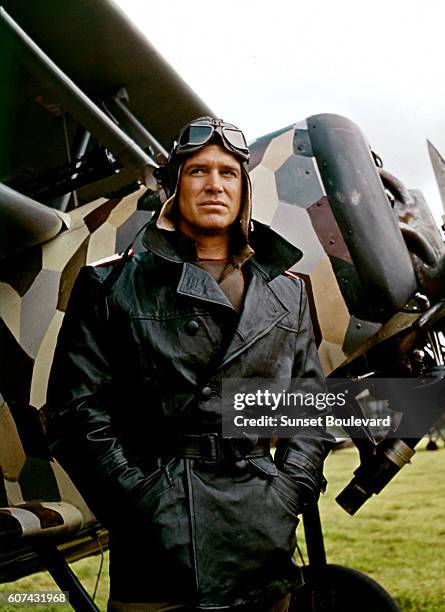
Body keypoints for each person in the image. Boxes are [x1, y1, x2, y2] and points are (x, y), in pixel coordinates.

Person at [47, 117, 334, 611]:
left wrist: (288, 492)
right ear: (174, 186)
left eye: (228, 172)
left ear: (244, 189)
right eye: (198, 171)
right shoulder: (109, 284)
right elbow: (77, 413)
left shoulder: (289, 291)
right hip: (157, 548)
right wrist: (141, 503)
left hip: (261, 539)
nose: (214, 184)